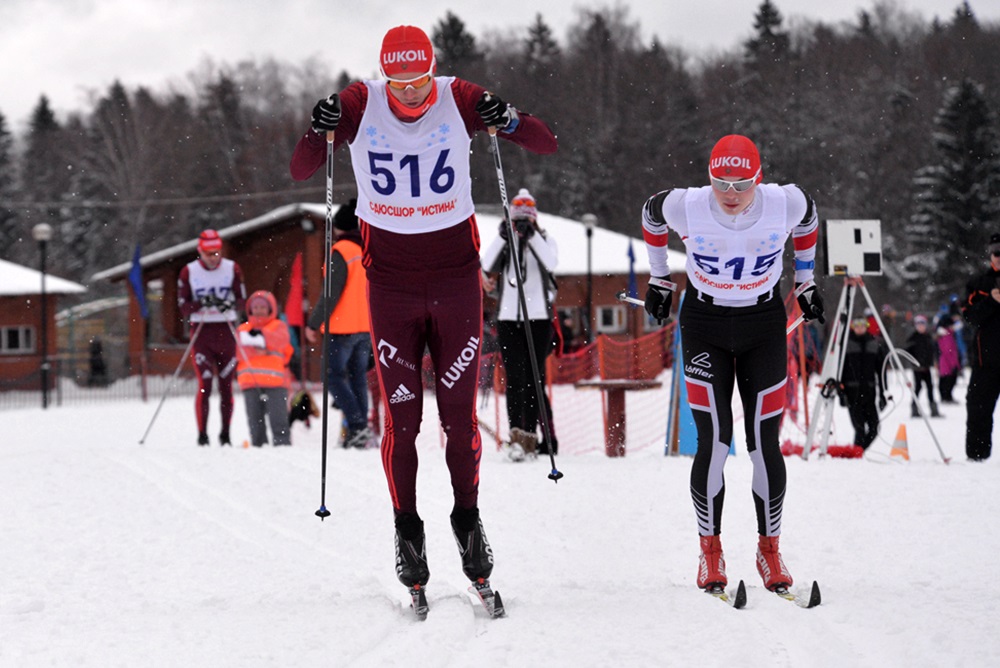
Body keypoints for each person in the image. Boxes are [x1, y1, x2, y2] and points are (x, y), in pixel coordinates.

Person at [290, 25, 557, 602]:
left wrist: (503, 116)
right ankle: (407, 529)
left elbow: (543, 142)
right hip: (392, 288)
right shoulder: (362, 101)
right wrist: (321, 124)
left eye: (418, 82)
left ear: (431, 71)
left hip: (457, 283)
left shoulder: (456, 94)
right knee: (402, 423)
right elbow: (301, 167)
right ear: (384, 75)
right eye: (398, 83)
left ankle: (468, 522)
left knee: (458, 421)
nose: (410, 95)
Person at [641, 134, 823, 594]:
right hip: (704, 324)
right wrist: (659, 278)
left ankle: (769, 550)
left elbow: (810, 218)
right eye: (721, 181)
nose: (730, 193)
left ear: (758, 179)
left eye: (741, 183)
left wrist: (805, 279)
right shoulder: (689, 204)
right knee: (715, 442)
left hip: (762, 323)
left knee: (764, 442)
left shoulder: (786, 201)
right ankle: (711, 552)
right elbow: (650, 212)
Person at [481, 188, 559, 459]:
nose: (522, 225)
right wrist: (505, 235)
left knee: (534, 379)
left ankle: (538, 436)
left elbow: (550, 263)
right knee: (515, 379)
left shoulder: (545, 239)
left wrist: (532, 235)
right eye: (518, 220)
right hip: (508, 317)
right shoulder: (507, 241)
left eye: (526, 219)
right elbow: (487, 262)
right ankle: (517, 435)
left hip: (538, 318)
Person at [304, 198, 374, 450]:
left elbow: (330, 293)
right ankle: (360, 428)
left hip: (342, 327)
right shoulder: (367, 250)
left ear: (339, 227)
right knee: (358, 379)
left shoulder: (341, 251)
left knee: (333, 377)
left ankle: (357, 426)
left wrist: (313, 323)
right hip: (365, 325)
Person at [177, 229, 247, 446]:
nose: (213, 257)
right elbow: (183, 307)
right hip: (202, 333)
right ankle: (202, 435)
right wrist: (201, 303)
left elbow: (242, 300)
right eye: (208, 253)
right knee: (205, 384)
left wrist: (230, 304)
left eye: (216, 252)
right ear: (200, 251)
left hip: (226, 331)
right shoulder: (189, 271)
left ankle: (225, 434)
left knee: (226, 387)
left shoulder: (232, 268)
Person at [236, 291, 294, 446]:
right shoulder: (243, 329)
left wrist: (259, 338)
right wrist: (263, 345)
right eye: (256, 307)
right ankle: (259, 448)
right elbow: (238, 350)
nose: (259, 310)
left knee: (279, 419)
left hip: (275, 382)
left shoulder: (278, 325)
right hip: (250, 382)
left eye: (263, 307)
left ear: (271, 309)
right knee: (255, 422)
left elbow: (281, 342)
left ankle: (283, 446)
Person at [961, 234, 1000, 461]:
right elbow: (970, 317)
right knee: (978, 408)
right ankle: (977, 456)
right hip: (986, 361)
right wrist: (991, 302)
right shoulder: (979, 283)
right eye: (996, 253)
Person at [841, 317, 889, 450]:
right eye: (856, 325)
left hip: (869, 392)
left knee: (874, 428)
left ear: (867, 326)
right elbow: (840, 370)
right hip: (852, 393)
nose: (860, 328)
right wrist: (841, 392)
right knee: (860, 428)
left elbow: (881, 371)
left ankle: (858, 452)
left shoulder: (874, 344)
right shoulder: (846, 344)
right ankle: (856, 455)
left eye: (863, 325)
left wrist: (884, 394)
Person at [904, 314, 940, 418]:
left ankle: (934, 410)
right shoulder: (913, 338)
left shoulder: (928, 337)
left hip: (927, 367)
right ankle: (914, 408)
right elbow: (907, 351)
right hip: (917, 368)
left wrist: (933, 361)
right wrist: (914, 361)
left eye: (922, 324)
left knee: (930, 388)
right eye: (918, 324)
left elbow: (933, 350)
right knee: (918, 388)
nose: (921, 327)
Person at [935, 314, 961, 403]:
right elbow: (949, 351)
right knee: (948, 380)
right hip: (948, 362)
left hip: (947, 362)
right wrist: (954, 364)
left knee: (946, 380)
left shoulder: (948, 334)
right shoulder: (947, 335)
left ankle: (946, 396)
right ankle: (946, 397)